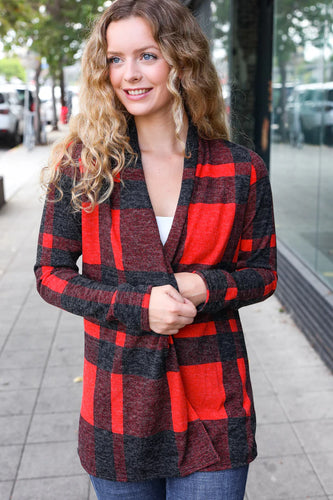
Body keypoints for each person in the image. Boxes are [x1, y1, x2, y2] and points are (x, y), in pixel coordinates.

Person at [34, 0, 277, 498]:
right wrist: (138, 305)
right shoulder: (87, 165)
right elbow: (50, 272)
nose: (129, 74)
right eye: (115, 59)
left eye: (146, 55)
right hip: (120, 403)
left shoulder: (239, 168)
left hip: (214, 400)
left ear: (181, 61)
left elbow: (263, 272)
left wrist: (205, 287)